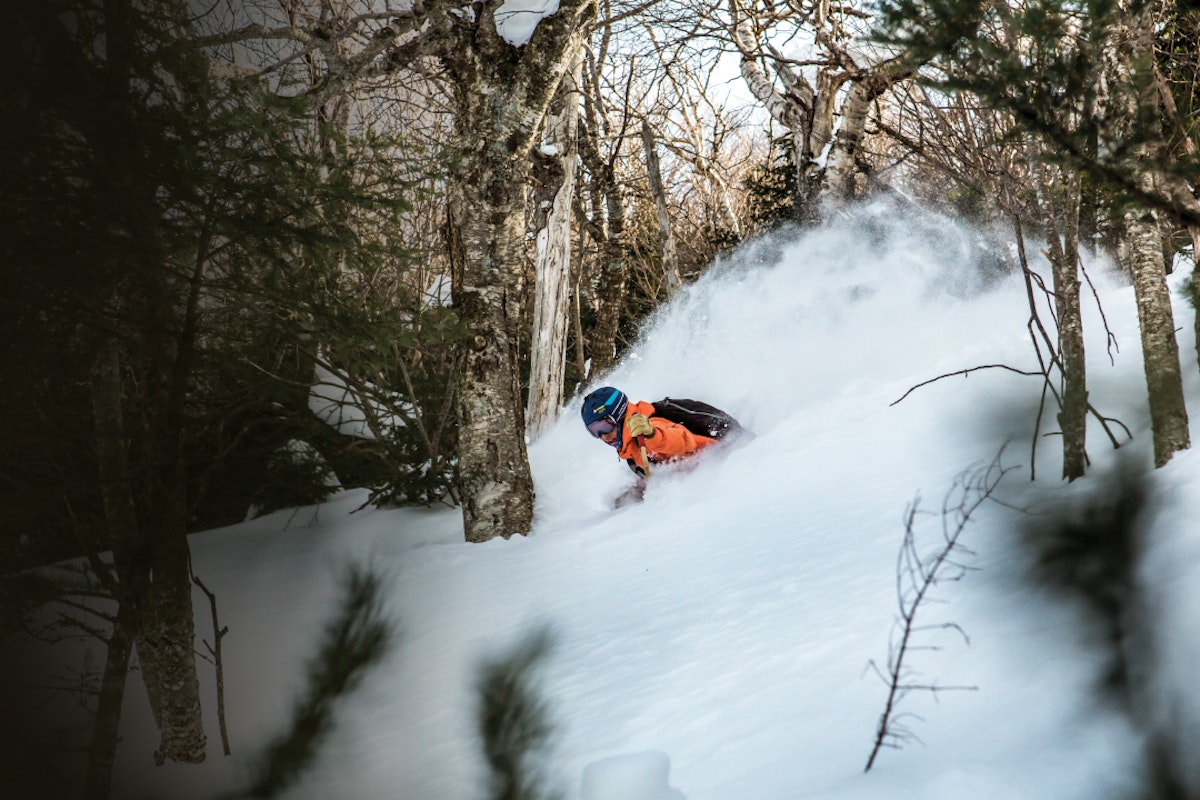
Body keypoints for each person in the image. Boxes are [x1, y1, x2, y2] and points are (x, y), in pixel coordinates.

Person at [580, 386, 727, 478]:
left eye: (604, 426)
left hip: (721, 465)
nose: (603, 436)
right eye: (594, 431)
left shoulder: (649, 428)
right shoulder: (629, 449)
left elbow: (682, 440)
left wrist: (651, 435)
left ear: (620, 416)